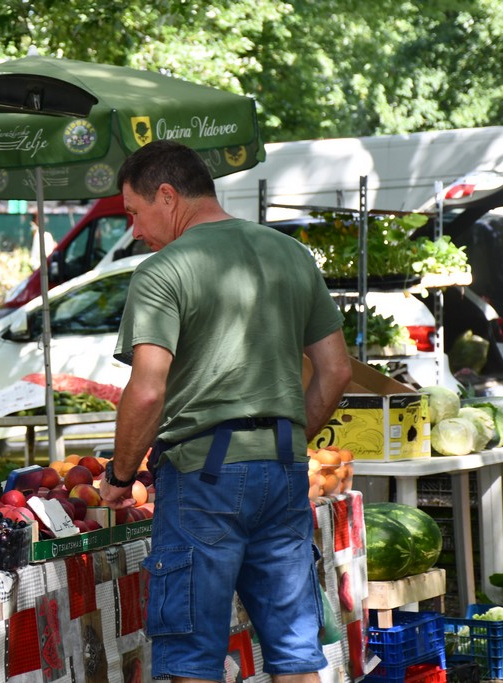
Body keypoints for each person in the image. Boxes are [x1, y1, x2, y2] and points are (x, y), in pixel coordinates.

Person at [98, 141, 353, 683]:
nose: (136, 230)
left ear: (166, 196)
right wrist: (285, 440)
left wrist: (120, 475)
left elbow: (147, 392)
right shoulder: (290, 254)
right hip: (283, 471)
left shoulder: (163, 271)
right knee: (296, 653)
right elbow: (336, 372)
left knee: (192, 658)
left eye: (134, 213)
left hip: (202, 480)